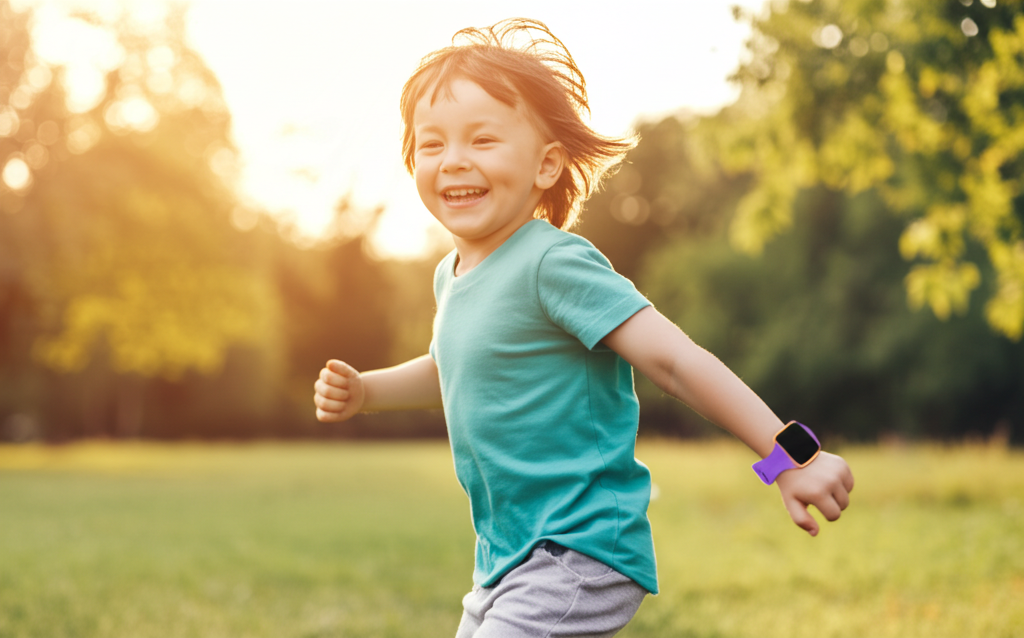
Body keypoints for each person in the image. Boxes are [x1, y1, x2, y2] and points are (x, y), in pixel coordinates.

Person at [313, 18, 854, 638]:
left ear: (547, 166)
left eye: (483, 139)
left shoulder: (552, 262)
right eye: (431, 144)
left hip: (578, 551)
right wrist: (367, 391)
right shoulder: (452, 275)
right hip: (505, 557)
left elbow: (674, 361)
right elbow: (449, 368)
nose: (454, 160)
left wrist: (787, 456)